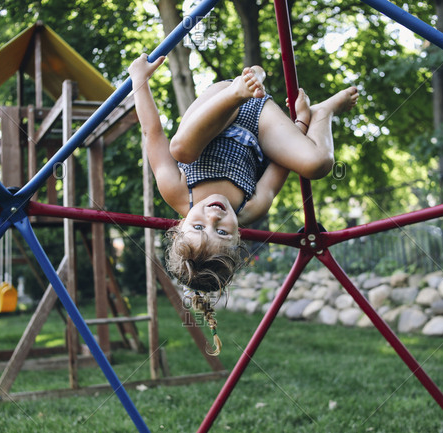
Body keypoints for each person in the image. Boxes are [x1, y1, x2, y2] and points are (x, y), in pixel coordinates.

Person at [128, 53, 357, 354]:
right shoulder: (251, 207)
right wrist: (300, 120)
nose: (213, 218)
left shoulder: (179, 192)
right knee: (317, 165)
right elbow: (279, 165)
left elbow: (151, 133)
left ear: (181, 225)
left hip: (221, 108)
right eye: (221, 233)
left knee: (180, 149)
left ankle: (239, 89)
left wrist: (139, 78)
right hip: (261, 121)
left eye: (198, 226)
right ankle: (324, 111)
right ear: (237, 238)